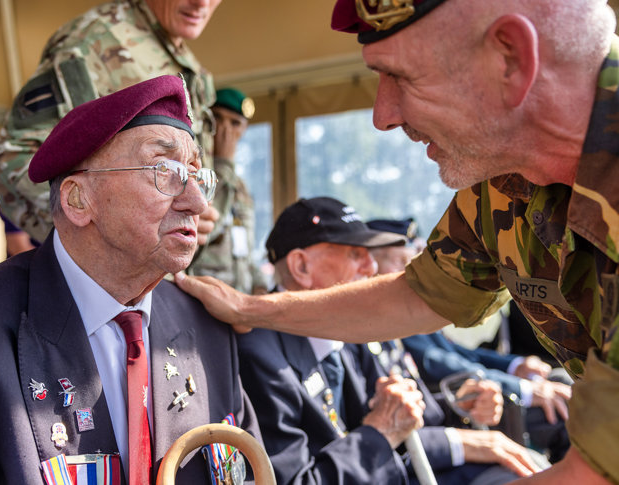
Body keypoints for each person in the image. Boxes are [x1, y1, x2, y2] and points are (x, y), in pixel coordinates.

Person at [173, 1, 619, 483]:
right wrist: (252, 311)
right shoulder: (506, 179)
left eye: (402, 77)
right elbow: (417, 294)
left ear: (509, 59)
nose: (382, 116)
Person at [0, 76, 260, 484]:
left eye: (196, 174)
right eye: (165, 170)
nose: (197, 202)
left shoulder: (207, 327)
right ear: (78, 200)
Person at [238, 197, 544, 485]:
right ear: (301, 267)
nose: (371, 269)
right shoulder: (260, 355)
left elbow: (380, 417)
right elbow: (299, 479)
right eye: (355, 254)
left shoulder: (347, 331)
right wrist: (381, 432)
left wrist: (460, 405)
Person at [0, 0, 222, 244]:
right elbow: (12, 158)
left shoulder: (186, 62)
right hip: (112, 277)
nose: (201, 3)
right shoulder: (91, 43)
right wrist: (113, 232)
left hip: (164, 275)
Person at [368, 218, 572, 463]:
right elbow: (439, 363)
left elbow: (462, 354)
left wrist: (515, 366)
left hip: (459, 408)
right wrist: (522, 389)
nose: (410, 270)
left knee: (561, 382)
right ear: (370, 266)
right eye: (400, 261)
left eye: (413, 259)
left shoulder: (407, 312)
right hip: (451, 414)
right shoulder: (385, 322)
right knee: (565, 412)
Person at [188, 88, 269, 294]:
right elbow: (205, 227)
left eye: (235, 123)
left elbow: (246, 249)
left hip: (238, 295)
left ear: (243, 129)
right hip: (203, 293)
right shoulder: (192, 172)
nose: (225, 130)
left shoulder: (239, 185)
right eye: (218, 118)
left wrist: (260, 287)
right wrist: (222, 163)